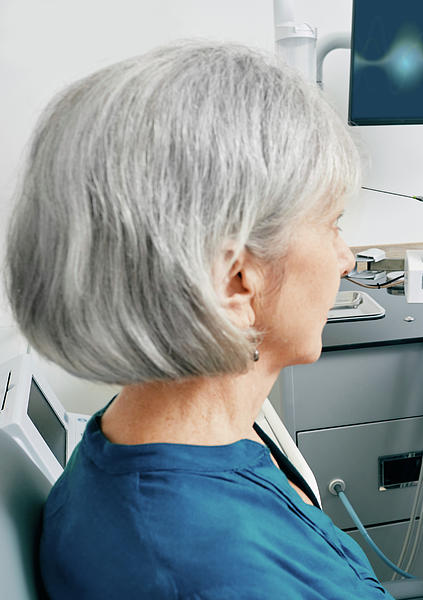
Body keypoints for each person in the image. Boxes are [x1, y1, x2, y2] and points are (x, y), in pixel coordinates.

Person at [5, 42, 393, 599]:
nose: (346, 258)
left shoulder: (139, 438)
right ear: (237, 281)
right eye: (332, 224)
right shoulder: (213, 572)